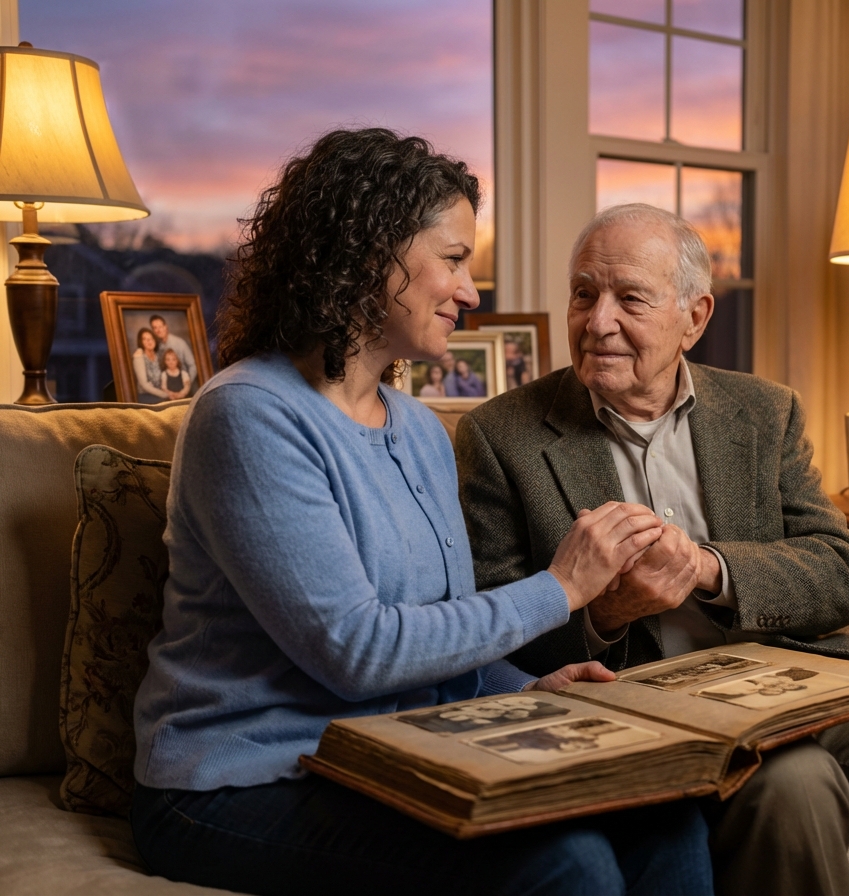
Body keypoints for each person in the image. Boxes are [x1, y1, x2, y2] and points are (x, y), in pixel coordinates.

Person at [130, 134, 713, 896]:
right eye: (454, 258)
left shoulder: (419, 430)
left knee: (667, 813)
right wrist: (562, 587)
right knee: (564, 863)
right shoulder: (249, 416)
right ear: (369, 254)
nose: (471, 290)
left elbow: (439, 638)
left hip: (388, 754)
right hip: (236, 784)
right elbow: (357, 652)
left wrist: (525, 689)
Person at [456, 203, 849, 896]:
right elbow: (498, 637)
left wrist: (709, 568)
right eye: (584, 294)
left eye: (629, 298)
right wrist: (603, 616)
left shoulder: (762, 411)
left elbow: (841, 572)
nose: (598, 320)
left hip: (806, 678)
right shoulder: (502, 435)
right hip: (651, 711)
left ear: (694, 318)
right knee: (795, 784)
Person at [149, 314, 197, 388]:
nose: (158, 330)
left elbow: (192, 366)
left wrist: (187, 385)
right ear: (153, 331)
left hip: (186, 384)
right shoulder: (156, 346)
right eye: (155, 328)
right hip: (169, 387)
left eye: (160, 327)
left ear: (166, 327)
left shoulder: (179, 343)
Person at [131, 327, 168, 404]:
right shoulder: (139, 357)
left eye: (151, 338)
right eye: (145, 339)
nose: (149, 341)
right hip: (147, 396)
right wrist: (165, 395)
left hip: (161, 392)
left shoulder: (158, 355)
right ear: (141, 342)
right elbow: (144, 385)